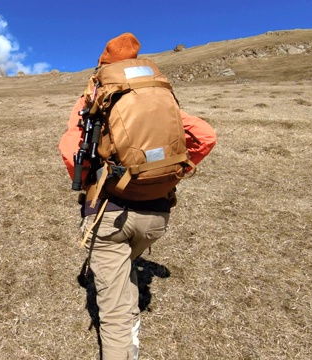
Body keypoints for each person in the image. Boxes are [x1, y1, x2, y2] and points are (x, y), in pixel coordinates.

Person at [58, 33, 216, 359]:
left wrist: (94, 181)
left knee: (112, 313)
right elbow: (205, 136)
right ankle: (130, 314)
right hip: (157, 216)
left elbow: (71, 151)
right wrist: (174, 173)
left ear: (104, 67)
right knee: (126, 264)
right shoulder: (160, 98)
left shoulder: (95, 97)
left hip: (108, 215)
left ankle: (125, 333)